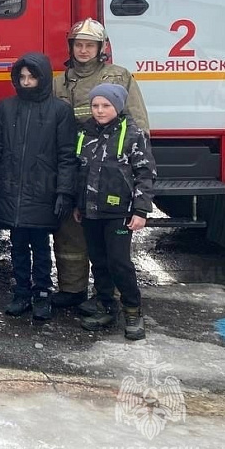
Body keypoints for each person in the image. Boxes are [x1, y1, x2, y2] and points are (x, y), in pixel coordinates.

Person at [52, 18, 149, 313]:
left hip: (111, 172)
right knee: (70, 232)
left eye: (89, 45)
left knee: (111, 245)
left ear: (100, 48)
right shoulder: (60, 81)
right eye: (78, 45)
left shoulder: (119, 76)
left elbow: (138, 122)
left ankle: (113, 298)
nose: (83, 50)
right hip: (77, 168)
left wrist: (136, 168)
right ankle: (72, 289)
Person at [0, 54, 77, 320]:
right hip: (13, 189)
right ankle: (21, 291)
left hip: (43, 189)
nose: (26, 82)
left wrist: (64, 192)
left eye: (31, 77)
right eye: (21, 77)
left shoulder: (59, 110)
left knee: (41, 245)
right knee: (17, 244)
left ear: (42, 78)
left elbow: (67, 155)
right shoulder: (7, 107)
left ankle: (43, 292)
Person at [74, 83, 156, 340]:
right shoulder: (85, 133)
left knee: (118, 262)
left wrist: (141, 210)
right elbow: (80, 171)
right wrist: (79, 204)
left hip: (118, 212)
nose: (99, 111)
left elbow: (145, 175)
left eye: (106, 105)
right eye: (95, 106)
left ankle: (132, 310)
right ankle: (105, 305)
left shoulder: (133, 134)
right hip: (90, 211)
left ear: (118, 106)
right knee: (97, 260)